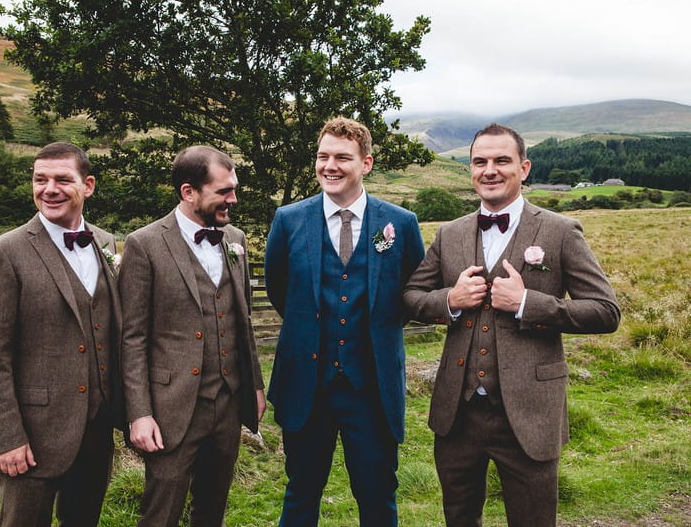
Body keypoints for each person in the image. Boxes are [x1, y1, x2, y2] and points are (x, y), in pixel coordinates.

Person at [403, 123, 620, 526]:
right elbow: (412, 298)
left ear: (524, 168)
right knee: (459, 518)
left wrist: (527, 303)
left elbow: (606, 311)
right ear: (469, 170)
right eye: (479, 161)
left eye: (502, 160)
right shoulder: (449, 234)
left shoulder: (559, 231)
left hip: (530, 413)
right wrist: (449, 299)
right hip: (458, 414)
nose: (490, 170)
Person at [264, 116, 425, 526]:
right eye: (322, 156)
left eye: (341, 157)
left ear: (366, 164)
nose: (329, 166)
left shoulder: (400, 224)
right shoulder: (288, 219)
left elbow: (410, 294)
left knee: (377, 495)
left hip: (371, 387)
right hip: (307, 385)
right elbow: (280, 291)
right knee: (301, 491)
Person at [0, 142, 123, 526]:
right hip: (33, 434)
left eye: (62, 179)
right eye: (40, 180)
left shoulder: (105, 243)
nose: (49, 189)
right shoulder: (3, 252)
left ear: (88, 185)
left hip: (97, 428)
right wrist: (6, 438)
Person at [118, 145, 266, 526]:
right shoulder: (145, 244)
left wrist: (255, 387)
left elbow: (242, 318)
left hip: (229, 404)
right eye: (223, 192)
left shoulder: (235, 238)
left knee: (212, 509)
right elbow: (132, 337)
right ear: (189, 192)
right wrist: (139, 413)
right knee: (161, 513)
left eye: (233, 188)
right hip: (171, 407)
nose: (232, 199)